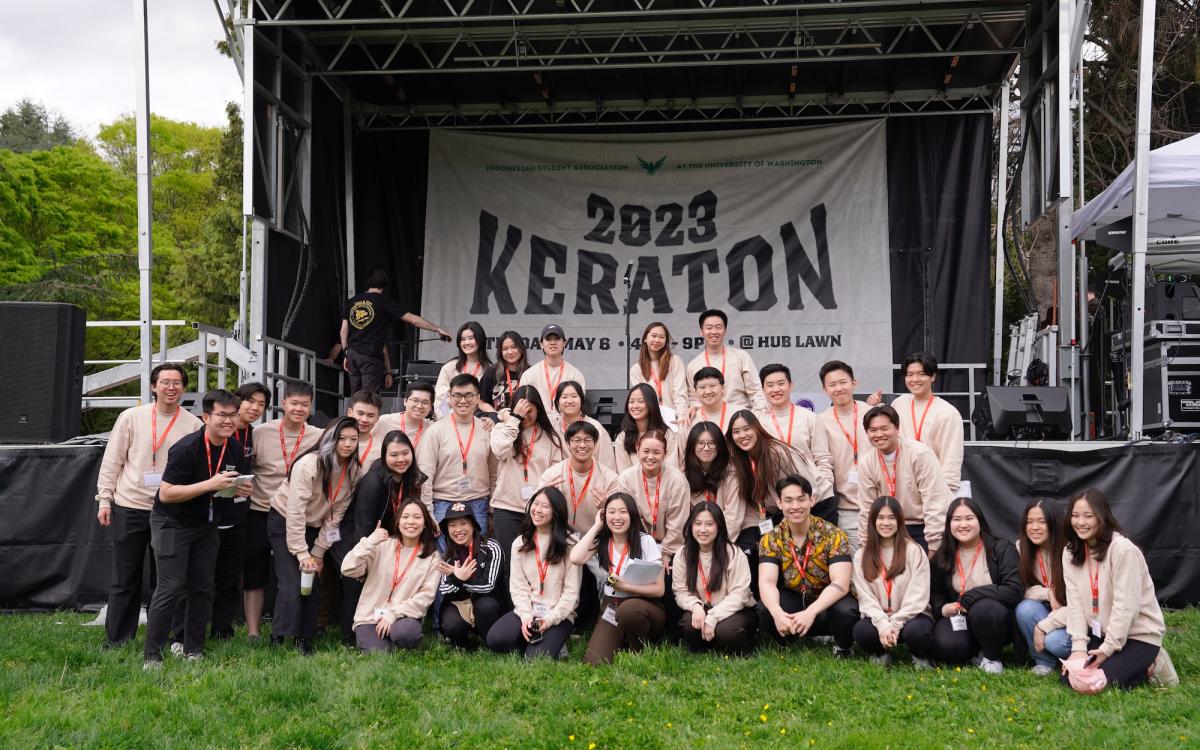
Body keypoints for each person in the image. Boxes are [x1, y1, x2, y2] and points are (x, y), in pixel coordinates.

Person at [142, 390, 251, 668]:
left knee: (202, 587)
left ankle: (194, 649)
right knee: (170, 587)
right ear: (206, 417)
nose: (228, 421)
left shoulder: (235, 448)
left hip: (207, 525)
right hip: (172, 523)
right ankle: (153, 655)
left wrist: (240, 489)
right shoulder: (186, 448)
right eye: (222, 415)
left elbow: (228, 489)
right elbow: (166, 494)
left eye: (232, 416)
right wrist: (211, 484)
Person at [95, 363, 201, 648]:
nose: (170, 388)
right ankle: (117, 639)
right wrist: (105, 498)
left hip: (170, 511)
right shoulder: (131, 417)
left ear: (184, 387)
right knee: (124, 578)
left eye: (176, 383)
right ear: (153, 386)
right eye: (164, 382)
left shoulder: (193, 424)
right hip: (130, 505)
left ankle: (165, 638)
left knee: (166, 581)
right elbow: (112, 460)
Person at [1055, 488, 1173, 690]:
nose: (1080, 522)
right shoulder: (1070, 552)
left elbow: (1126, 607)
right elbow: (1074, 604)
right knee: (1070, 680)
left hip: (1137, 635)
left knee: (1095, 684)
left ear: (1102, 517)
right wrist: (1079, 649)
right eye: (1075, 515)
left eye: (1088, 516)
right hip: (1101, 633)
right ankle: (1132, 667)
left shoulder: (1123, 550)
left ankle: (1152, 662)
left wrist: (1108, 649)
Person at [267, 417, 361, 654]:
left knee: (311, 584)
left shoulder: (354, 470)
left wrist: (318, 553)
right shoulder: (310, 463)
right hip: (284, 520)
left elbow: (336, 516)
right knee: (291, 583)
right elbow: (295, 510)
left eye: (353, 439)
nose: (348, 444)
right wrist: (301, 553)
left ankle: (304, 639)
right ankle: (279, 637)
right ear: (331, 438)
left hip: (316, 526)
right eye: (342, 438)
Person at [195, 382, 270, 643]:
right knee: (202, 576)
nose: (255, 408)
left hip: (239, 514)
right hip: (207, 512)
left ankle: (222, 631)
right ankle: (190, 630)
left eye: (261, 404)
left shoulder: (254, 433)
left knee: (230, 576)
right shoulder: (211, 433)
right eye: (250, 401)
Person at [244, 382, 320, 640]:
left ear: (311, 407)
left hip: (296, 516)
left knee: (292, 574)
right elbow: (248, 468)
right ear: (283, 404)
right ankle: (253, 631)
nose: (299, 409)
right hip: (260, 510)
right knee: (255, 572)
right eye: (294, 403)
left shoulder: (318, 436)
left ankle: (297, 627)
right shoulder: (262, 432)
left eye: (304, 404)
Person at [757, 475, 858, 657]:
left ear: (811, 500)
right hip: (796, 595)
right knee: (765, 609)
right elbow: (767, 581)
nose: (795, 506)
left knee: (846, 611)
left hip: (828, 597)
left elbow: (841, 583)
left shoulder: (833, 534)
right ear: (779, 503)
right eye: (788, 500)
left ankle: (843, 645)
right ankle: (788, 638)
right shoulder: (771, 538)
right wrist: (777, 613)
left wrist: (811, 612)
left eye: (801, 499)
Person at [569, 492, 666, 665]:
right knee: (594, 661)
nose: (617, 517)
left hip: (643, 605)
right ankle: (621, 639)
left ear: (632, 514)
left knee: (630, 610)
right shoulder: (603, 540)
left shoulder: (646, 541)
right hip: (612, 604)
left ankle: (638, 648)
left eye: (623, 512)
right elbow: (575, 558)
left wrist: (626, 587)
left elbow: (659, 589)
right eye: (611, 512)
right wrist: (596, 527)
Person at [487, 487, 583, 659]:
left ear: (557, 512)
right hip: (530, 609)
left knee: (534, 659)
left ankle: (555, 639)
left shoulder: (570, 544)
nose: (538, 510)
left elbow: (571, 594)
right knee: (496, 639)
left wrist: (549, 620)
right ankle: (537, 639)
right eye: (535, 504)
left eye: (545, 506)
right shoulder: (520, 543)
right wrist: (525, 616)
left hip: (558, 614)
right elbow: (518, 587)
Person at [929, 497, 1022, 673]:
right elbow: (935, 594)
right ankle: (973, 651)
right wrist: (943, 608)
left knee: (984, 608)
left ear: (980, 520)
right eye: (957, 519)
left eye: (969, 518)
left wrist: (972, 596)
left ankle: (992, 658)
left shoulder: (1001, 548)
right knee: (948, 647)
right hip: (960, 616)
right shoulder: (944, 554)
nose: (963, 524)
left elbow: (1014, 590)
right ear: (949, 524)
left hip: (995, 619)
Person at [340, 496, 441, 652]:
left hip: (403, 617)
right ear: (398, 521)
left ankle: (397, 640)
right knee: (378, 652)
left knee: (407, 634)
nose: (411, 522)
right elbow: (347, 568)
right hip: (370, 617)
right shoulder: (382, 546)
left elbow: (425, 597)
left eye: (417, 517)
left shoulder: (432, 557)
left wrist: (392, 614)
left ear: (425, 523)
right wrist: (369, 542)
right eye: (405, 517)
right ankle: (386, 645)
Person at [851, 497, 934, 667]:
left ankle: (920, 657)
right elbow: (866, 598)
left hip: (911, 617)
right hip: (880, 617)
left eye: (891, 518)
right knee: (862, 631)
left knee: (918, 632)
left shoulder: (914, 551)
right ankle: (881, 655)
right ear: (873, 521)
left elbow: (918, 595)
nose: (886, 523)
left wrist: (896, 623)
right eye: (880, 518)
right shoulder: (862, 555)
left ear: (900, 521)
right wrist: (882, 624)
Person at [341, 266, 452, 393]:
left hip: (353, 354)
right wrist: (437, 329)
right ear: (385, 284)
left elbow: (343, 330)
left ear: (368, 281)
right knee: (369, 397)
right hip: (370, 357)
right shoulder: (384, 302)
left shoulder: (352, 301)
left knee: (356, 395)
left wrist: (346, 354)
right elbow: (413, 320)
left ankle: (353, 413)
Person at [855, 405, 951, 554]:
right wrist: (865, 546)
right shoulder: (867, 462)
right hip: (888, 528)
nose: (878, 434)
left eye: (884, 428)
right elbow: (867, 508)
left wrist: (934, 544)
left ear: (897, 428)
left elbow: (934, 500)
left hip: (922, 526)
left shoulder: (919, 454)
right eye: (872, 430)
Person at [726, 410, 820, 560]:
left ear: (757, 428)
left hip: (814, 504)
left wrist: (786, 523)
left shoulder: (777, 453)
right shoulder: (742, 459)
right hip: (778, 513)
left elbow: (808, 488)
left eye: (747, 429)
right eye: (736, 432)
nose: (742, 435)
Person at [672, 501, 759, 655]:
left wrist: (712, 617)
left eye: (709, 524)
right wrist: (696, 606)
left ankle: (735, 642)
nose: (703, 530)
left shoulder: (734, 553)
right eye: (697, 524)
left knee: (728, 633)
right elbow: (681, 592)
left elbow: (740, 595)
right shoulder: (682, 555)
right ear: (690, 526)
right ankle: (708, 643)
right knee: (689, 626)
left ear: (719, 527)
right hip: (703, 606)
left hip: (735, 610)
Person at [416, 374, 498, 535]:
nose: (463, 400)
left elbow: (494, 473)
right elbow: (425, 474)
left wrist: (492, 510)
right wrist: (428, 512)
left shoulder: (487, 429)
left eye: (468, 395)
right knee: (444, 558)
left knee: (475, 558)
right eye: (457, 395)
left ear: (477, 399)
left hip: (478, 504)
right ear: (450, 398)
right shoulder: (435, 431)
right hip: (442, 504)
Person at [490, 386, 566, 557]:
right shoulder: (503, 429)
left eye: (530, 411)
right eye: (521, 411)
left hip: (539, 509)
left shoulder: (550, 436)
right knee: (509, 561)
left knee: (536, 559)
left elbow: (556, 473)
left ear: (538, 409)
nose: (526, 416)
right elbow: (499, 450)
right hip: (507, 507)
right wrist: (514, 419)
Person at [758, 363, 835, 504]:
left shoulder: (810, 418)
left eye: (781, 383)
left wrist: (820, 491)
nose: (776, 389)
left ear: (790, 385)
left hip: (815, 498)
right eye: (769, 385)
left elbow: (823, 458)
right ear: (763, 389)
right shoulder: (759, 423)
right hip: (778, 502)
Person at [889, 352, 964, 493]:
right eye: (909, 374)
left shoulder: (948, 413)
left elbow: (951, 461)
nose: (914, 379)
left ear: (933, 376)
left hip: (932, 489)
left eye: (921, 374)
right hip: (900, 487)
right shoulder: (899, 403)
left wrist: (944, 495)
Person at [816, 360, 872, 548]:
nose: (838, 388)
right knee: (855, 567)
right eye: (832, 385)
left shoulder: (872, 414)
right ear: (824, 389)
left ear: (854, 383)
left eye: (843, 382)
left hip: (878, 504)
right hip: (846, 509)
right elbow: (823, 463)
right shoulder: (821, 421)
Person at [614, 430, 690, 567]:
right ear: (638, 451)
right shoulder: (626, 478)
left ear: (665, 454)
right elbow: (626, 516)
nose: (650, 457)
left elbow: (678, 522)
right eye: (646, 451)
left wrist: (666, 554)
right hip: (636, 544)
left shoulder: (677, 480)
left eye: (656, 452)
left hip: (671, 547)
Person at [436, 502, 506, 649]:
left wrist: (458, 579)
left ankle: (490, 642)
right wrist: (457, 578)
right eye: (452, 525)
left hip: (486, 604)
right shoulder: (447, 555)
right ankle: (463, 643)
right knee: (451, 624)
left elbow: (488, 585)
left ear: (473, 525)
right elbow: (444, 589)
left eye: (463, 523)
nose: (458, 530)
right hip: (460, 604)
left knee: (486, 606)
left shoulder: (492, 547)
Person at [1015, 498, 1072, 675]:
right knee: (1025, 608)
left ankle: (1074, 655)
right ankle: (1043, 661)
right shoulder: (1020, 547)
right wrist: (1048, 593)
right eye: (1029, 522)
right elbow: (1019, 589)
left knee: (1055, 641)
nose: (1034, 527)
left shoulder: (1071, 550)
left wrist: (1044, 626)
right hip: (1045, 610)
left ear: (1054, 523)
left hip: (1072, 619)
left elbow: (1080, 605)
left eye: (1042, 521)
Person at [537, 420, 620, 534]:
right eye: (576, 440)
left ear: (595, 444)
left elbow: (619, 516)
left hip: (597, 538)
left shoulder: (610, 479)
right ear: (568, 444)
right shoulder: (552, 475)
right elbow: (534, 510)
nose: (582, 445)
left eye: (588, 440)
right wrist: (543, 494)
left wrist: (607, 506)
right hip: (560, 538)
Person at [685, 309, 767, 412]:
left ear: (725, 330)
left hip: (739, 419)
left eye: (718, 327)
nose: (714, 332)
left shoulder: (741, 356)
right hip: (710, 422)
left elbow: (756, 391)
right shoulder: (693, 365)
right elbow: (693, 399)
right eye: (709, 328)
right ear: (701, 331)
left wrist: (758, 415)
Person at [682, 422, 743, 540]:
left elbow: (733, 519)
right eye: (700, 443)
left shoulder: (733, 475)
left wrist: (715, 545)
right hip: (697, 538)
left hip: (727, 538)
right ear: (692, 446)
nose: (706, 448)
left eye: (712, 443)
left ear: (720, 445)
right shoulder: (683, 476)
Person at [629, 321, 688, 425]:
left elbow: (680, 392)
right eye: (654, 336)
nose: (657, 340)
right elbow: (641, 400)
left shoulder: (675, 361)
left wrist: (681, 415)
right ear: (645, 339)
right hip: (650, 421)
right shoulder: (636, 369)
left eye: (661, 337)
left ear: (666, 340)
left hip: (674, 420)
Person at [614, 383, 680, 472]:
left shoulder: (667, 435)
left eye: (641, 401)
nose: (635, 406)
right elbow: (623, 475)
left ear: (651, 404)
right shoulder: (623, 438)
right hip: (633, 485)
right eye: (631, 401)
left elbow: (672, 471)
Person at [519, 324, 586, 409]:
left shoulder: (575, 374)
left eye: (557, 339)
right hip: (539, 421)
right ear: (541, 344)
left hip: (567, 420)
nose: (553, 343)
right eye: (548, 339)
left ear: (564, 343)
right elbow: (523, 405)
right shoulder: (529, 375)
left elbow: (578, 406)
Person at [551, 380, 615, 470]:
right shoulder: (553, 426)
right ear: (557, 403)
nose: (569, 401)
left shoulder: (596, 428)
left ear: (581, 400)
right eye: (564, 397)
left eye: (574, 396)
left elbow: (608, 466)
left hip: (591, 480)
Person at [434, 322, 492, 416]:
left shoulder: (489, 369)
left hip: (479, 421)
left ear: (480, 340)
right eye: (463, 339)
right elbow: (440, 399)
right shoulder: (450, 367)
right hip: (451, 420)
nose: (467, 343)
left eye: (471, 338)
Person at [479, 330, 529, 412]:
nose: (510, 352)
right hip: (497, 421)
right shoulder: (491, 371)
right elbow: (482, 402)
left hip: (523, 420)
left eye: (514, 347)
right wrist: (496, 416)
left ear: (521, 348)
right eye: (505, 349)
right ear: (500, 352)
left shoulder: (529, 372)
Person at [375, 381, 434, 450]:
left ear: (430, 406)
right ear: (405, 401)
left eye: (425, 402)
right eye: (415, 400)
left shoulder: (432, 428)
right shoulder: (384, 422)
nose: (419, 406)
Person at [347, 390, 384, 471]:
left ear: (378, 418)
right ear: (350, 412)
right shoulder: (334, 441)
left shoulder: (380, 450)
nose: (364, 419)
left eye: (370, 415)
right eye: (360, 413)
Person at [689, 367, 733, 432]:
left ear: (722, 388)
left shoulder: (737, 414)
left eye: (712, 386)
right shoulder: (690, 421)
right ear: (695, 391)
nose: (708, 391)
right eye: (702, 387)